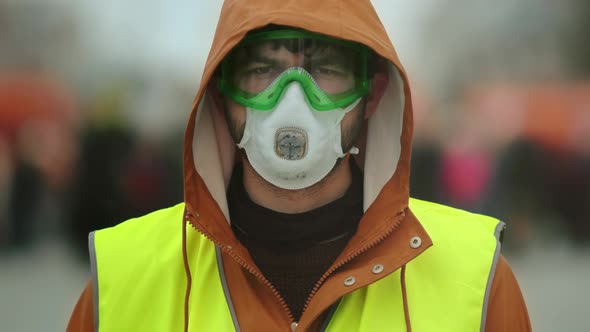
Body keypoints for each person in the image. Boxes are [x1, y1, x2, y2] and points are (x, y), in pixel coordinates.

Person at [67, 0, 531, 331]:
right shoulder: (123, 279)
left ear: (371, 96)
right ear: (220, 94)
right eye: (262, 70)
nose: (292, 98)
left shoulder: (475, 278)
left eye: (326, 69)